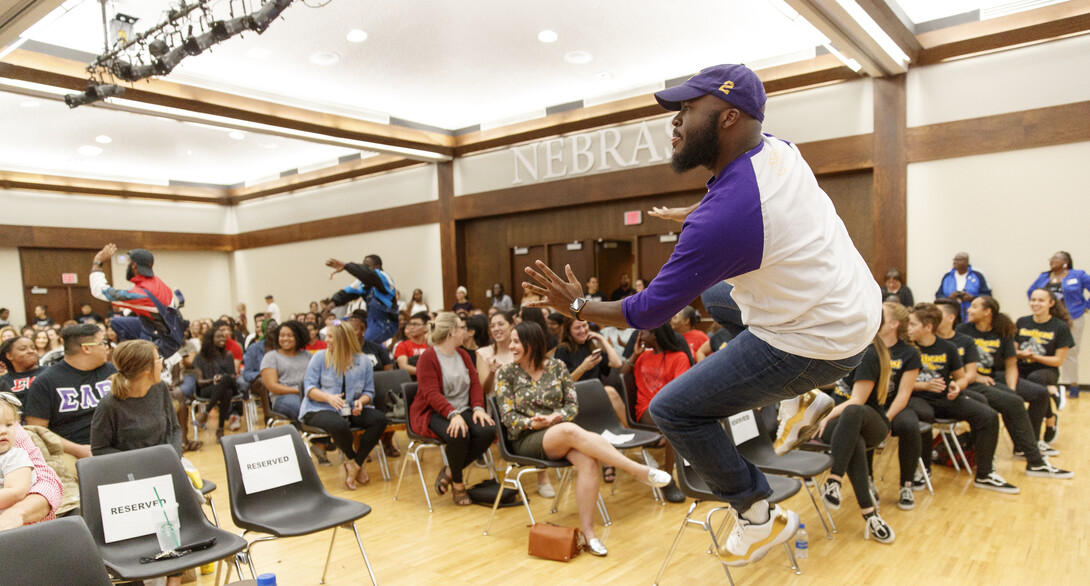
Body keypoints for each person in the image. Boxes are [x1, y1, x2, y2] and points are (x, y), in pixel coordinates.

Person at [524, 63, 880, 566]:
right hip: (854, 306)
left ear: (729, 117)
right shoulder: (779, 150)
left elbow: (645, 313)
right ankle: (811, 398)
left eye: (688, 110)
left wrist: (577, 305)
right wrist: (698, 212)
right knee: (715, 298)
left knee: (674, 409)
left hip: (818, 340)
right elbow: (745, 205)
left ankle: (755, 513)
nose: (675, 122)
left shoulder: (728, 218)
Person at [495, 322, 670, 556]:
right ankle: (637, 470)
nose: (512, 346)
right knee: (570, 430)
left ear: (532, 343)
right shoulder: (506, 373)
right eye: (512, 342)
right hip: (526, 438)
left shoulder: (556, 367)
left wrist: (558, 417)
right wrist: (531, 423)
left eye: (516, 341)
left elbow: (571, 405)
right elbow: (507, 416)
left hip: (559, 431)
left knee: (588, 461)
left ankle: (590, 535)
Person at [958, 296, 1071, 478]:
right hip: (971, 378)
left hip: (996, 376)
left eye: (974, 306)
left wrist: (1011, 388)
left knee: (1036, 393)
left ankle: (1027, 445)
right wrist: (976, 376)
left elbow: (1011, 366)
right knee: (1012, 402)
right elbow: (957, 364)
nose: (969, 310)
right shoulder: (963, 330)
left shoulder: (1003, 330)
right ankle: (1033, 457)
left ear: (987, 312)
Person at [908, 303, 1014, 493]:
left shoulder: (948, 348)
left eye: (913, 325)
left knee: (988, 416)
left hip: (943, 397)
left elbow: (962, 377)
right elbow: (897, 384)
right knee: (923, 415)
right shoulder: (907, 348)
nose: (908, 328)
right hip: (915, 396)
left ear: (928, 327)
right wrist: (924, 385)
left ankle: (985, 473)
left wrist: (958, 386)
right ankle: (923, 469)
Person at [816, 330, 895, 543]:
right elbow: (838, 385)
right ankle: (870, 514)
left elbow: (857, 400)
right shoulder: (848, 348)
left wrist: (824, 417)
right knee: (852, 440)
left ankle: (834, 479)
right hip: (843, 426)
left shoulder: (868, 354)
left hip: (870, 422)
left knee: (852, 415)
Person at [410, 313, 496, 506]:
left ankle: (449, 471)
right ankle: (458, 483)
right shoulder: (428, 357)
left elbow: (474, 385)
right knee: (458, 433)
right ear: (451, 332)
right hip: (433, 411)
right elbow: (431, 393)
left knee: (488, 430)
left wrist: (478, 409)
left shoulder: (464, 355)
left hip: (462, 408)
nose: (465, 331)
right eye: (461, 328)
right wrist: (453, 414)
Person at [300, 323, 388, 490]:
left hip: (349, 408)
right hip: (319, 408)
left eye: (330, 336)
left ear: (343, 339)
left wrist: (361, 401)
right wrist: (328, 398)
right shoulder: (319, 357)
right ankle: (352, 460)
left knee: (380, 420)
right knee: (338, 424)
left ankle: (356, 463)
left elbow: (369, 392)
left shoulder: (363, 361)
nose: (326, 340)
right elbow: (309, 389)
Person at [619, 323, 691, 502]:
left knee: (679, 423)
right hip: (646, 410)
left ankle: (697, 475)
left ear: (655, 335)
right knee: (674, 426)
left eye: (643, 332)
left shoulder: (679, 357)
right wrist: (634, 355)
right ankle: (668, 480)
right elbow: (623, 373)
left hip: (670, 410)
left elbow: (682, 391)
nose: (640, 336)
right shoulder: (642, 357)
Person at [24, 324, 115, 462]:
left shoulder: (112, 371)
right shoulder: (45, 382)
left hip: (114, 443)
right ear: (86, 348)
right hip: (69, 450)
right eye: (102, 343)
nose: (106, 347)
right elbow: (36, 431)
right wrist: (78, 449)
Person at [875, 302, 930, 510]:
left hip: (895, 405)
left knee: (909, 425)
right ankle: (869, 483)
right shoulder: (868, 346)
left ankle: (906, 484)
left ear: (893, 324)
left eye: (881, 315)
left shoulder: (909, 353)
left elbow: (904, 393)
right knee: (861, 422)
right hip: (870, 404)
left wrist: (886, 419)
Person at [553, 317, 627, 463]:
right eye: (577, 328)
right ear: (569, 331)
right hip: (575, 399)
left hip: (596, 397)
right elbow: (562, 385)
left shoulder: (591, 347)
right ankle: (629, 429)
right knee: (610, 391)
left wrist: (601, 339)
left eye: (584, 326)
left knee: (609, 391)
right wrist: (583, 367)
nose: (582, 330)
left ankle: (612, 457)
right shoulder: (563, 350)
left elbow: (617, 363)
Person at [90, 340, 181, 457]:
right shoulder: (109, 404)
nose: (161, 363)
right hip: (131, 470)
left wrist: (173, 456)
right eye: (158, 359)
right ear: (146, 369)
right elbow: (99, 449)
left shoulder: (160, 388)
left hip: (166, 461)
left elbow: (174, 428)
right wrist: (140, 461)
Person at [1027, 251, 1090, 393]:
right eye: (1051, 258)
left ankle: (1072, 385)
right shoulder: (1044, 277)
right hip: (1050, 319)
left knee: (1070, 352)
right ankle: (1051, 383)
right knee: (1046, 349)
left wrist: (1086, 306)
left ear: (1065, 262)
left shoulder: (1078, 275)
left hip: (1073, 317)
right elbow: (1031, 291)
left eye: (1056, 258)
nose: (1052, 260)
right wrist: (1039, 306)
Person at [1017, 288, 1074, 438]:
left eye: (1040, 300)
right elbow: (1013, 349)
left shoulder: (1060, 327)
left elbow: (1058, 361)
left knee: (1035, 382)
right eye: (1033, 300)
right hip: (1022, 367)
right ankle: (1051, 397)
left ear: (1051, 303)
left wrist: (1034, 357)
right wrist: (1019, 353)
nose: (1035, 303)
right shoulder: (1022, 322)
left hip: (1046, 370)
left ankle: (1032, 437)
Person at [326, 254, 400, 344]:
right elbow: (347, 292)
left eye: (366, 266)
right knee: (336, 324)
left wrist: (346, 266)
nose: (363, 268)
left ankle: (378, 355)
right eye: (362, 266)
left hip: (385, 324)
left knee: (364, 343)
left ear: (377, 267)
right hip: (370, 320)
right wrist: (333, 302)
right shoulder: (362, 283)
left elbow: (368, 275)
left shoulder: (384, 277)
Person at [193, 325, 239, 443]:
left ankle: (205, 413)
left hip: (230, 384)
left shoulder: (228, 355)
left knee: (226, 379)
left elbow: (233, 376)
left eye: (223, 337)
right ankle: (220, 429)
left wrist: (222, 378)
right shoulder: (199, 358)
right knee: (226, 392)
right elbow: (199, 382)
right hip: (209, 389)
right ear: (210, 339)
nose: (223, 339)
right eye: (218, 337)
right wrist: (213, 380)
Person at [260, 322, 313, 420]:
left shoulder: (308, 356)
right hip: (282, 398)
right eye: (282, 336)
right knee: (305, 410)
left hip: (309, 394)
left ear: (298, 337)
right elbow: (272, 386)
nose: (285, 339)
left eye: (290, 336)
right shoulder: (271, 357)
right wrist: (298, 391)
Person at [0, 395, 37, 516]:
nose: (3, 431)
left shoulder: (13, 456)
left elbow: (16, 492)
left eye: (9, 425)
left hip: (13, 525)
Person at [935, 252, 991, 322]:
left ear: (966, 262)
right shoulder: (948, 276)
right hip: (952, 316)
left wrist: (972, 297)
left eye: (959, 260)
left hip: (971, 316)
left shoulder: (977, 275)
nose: (955, 262)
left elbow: (987, 296)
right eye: (954, 260)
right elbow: (938, 296)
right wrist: (949, 298)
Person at [0, 337, 44, 408]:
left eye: (33, 348)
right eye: (23, 349)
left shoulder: (50, 372)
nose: (30, 351)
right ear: (9, 356)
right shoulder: (3, 381)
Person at [393, 312, 431, 378]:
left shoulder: (431, 345)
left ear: (425, 328)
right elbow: (403, 367)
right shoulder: (402, 345)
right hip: (413, 380)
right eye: (410, 324)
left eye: (416, 324)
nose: (411, 327)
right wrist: (426, 372)